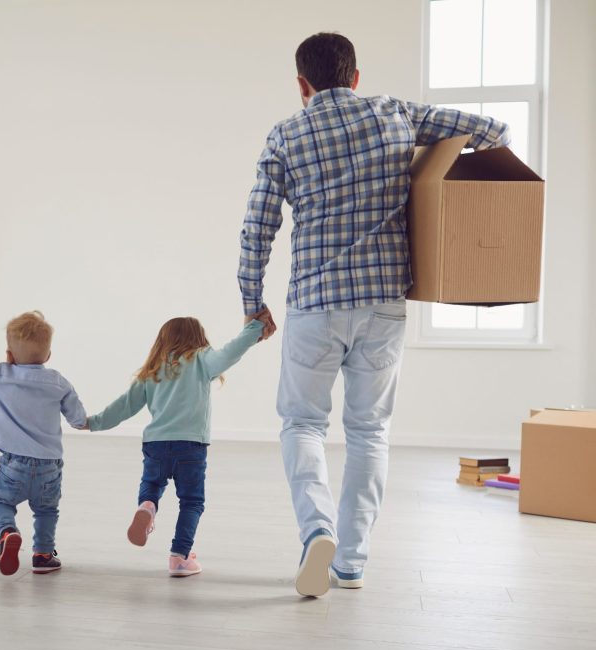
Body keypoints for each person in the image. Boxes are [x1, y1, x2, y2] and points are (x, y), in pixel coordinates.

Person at [238, 33, 510, 596]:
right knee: (368, 431)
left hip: (313, 305)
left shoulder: (287, 133)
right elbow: (494, 132)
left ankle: (317, 532)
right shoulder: (396, 113)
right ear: (356, 76)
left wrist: (251, 301)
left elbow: (257, 229)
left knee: (302, 423)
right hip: (383, 303)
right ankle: (353, 560)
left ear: (301, 85)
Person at [86, 317, 264, 577]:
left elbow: (125, 405)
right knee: (191, 501)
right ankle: (179, 557)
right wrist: (255, 328)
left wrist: (94, 422)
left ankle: (147, 506)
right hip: (190, 446)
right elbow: (231, 352)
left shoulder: (153, 369)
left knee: (152, 486)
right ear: (198, 337)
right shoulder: (202, 359)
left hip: (155, 444)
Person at [0, 311, 87, 575]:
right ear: (48, 356)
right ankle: (42, 555)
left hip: (14, 464)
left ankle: (7, 532)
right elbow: (79, 419)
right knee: (47, 510)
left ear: (9, 355)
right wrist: (88, 423)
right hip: (50, 465)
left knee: (0, 503)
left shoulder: (0, 374)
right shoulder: (58, 382)